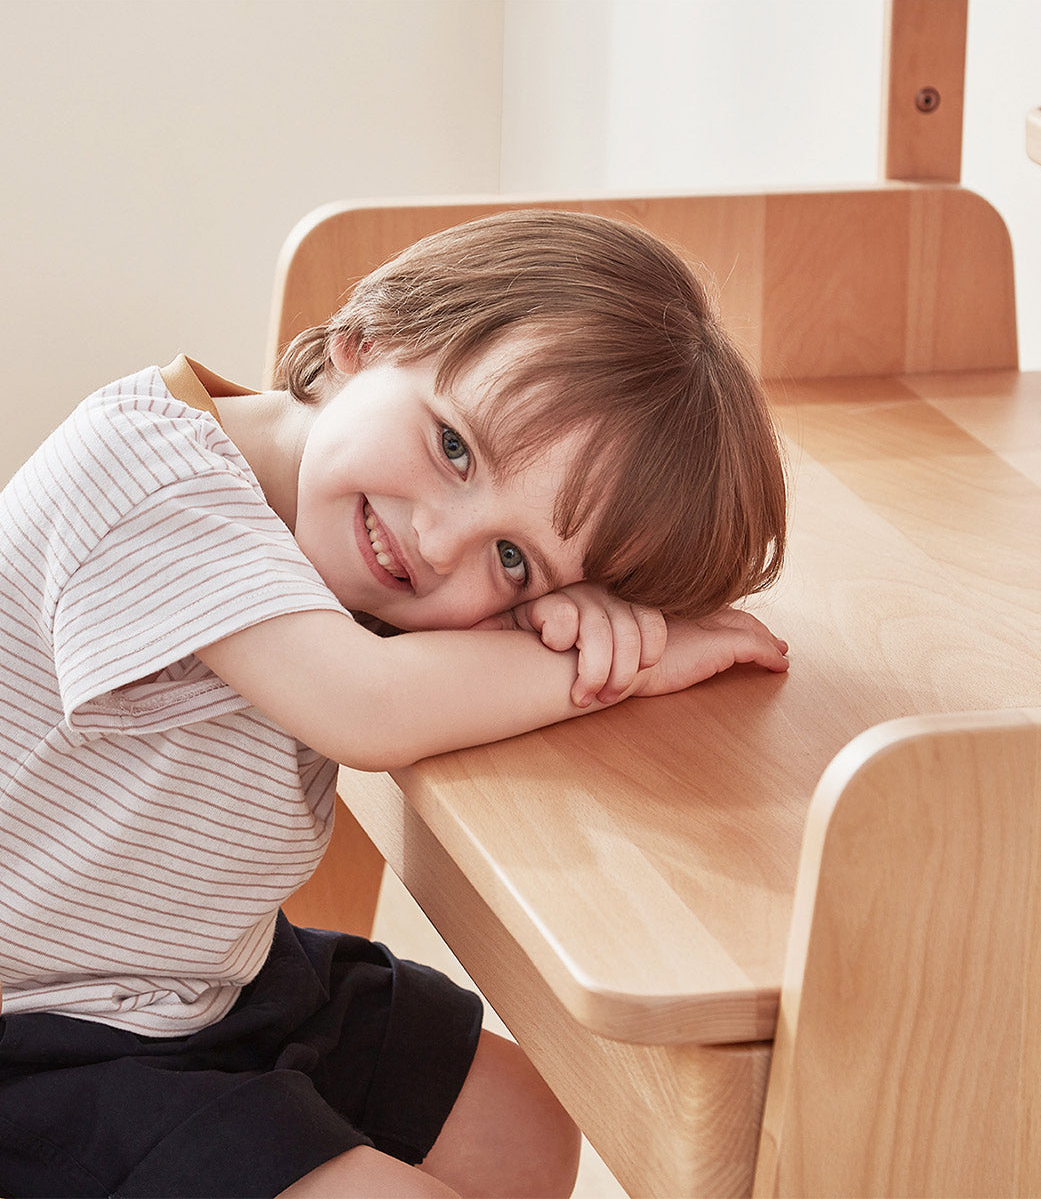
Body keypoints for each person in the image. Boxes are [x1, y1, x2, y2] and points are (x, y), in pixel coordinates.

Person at [0, 209, 789, 1198]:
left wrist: (554, 612)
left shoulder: (360, 557)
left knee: (524, 1126)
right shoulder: (149, 474)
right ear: (367, 340)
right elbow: (364, 707)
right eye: (456, 448)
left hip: (204, 980)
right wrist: (632, 659)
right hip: (41, 1032)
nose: (436, 539)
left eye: (512, 558)